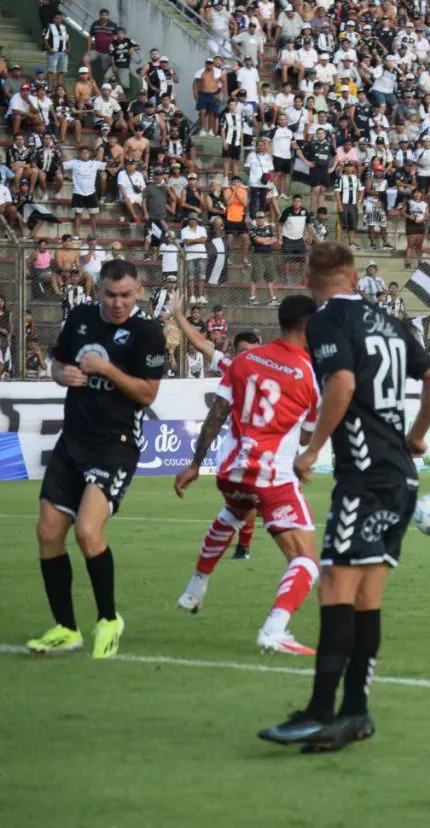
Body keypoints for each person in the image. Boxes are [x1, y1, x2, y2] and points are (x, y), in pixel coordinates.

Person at [259, 242, 430, 752]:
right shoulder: (389, 321)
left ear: (310, 277)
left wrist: (312, 449)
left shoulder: (326, 321)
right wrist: (415, 435)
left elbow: (341, 382)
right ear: (353, 275)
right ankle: (356, 713)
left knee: (335, 588)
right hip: (400, 476)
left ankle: (321, 712)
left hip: (363, 476)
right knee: (367, 597)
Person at [27, 260, 166, 658]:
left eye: (126, 295)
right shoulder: (82, 318)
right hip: (73, 440)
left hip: (115, 443)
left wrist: (107, 369)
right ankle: (66, 628)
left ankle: (108, 619)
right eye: (110, 295)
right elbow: (58, 363)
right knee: (48, 532)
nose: (118, 303)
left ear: (137, 291)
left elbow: (147, 394)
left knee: (87, 532)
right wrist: (63, 375)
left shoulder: (147, 332)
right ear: (98, 289)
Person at [173, 296, 323, 654]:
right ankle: (274, 630)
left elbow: (217, 414)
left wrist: (195, 464)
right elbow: (306, 438)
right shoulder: (309, 375)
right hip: (271, 475)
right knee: (306, 560)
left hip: (232, 471)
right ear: (309, 326)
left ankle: (195, 588)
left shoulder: (243, 361)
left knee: (234, 512)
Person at [169, 293, 262, 558]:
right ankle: (244, 546)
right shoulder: (231, 366)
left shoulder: (275, 369)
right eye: (243, 353)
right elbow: (199, 342)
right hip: (240, 446)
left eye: (253, 352)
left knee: (256, 501)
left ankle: (246, 545)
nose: (248, 358)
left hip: (271, 445)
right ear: (235, 353)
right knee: (243, 499)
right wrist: (178, 314)